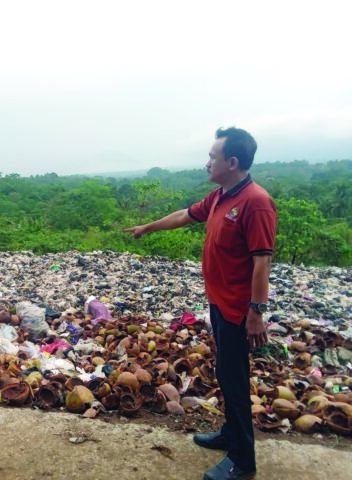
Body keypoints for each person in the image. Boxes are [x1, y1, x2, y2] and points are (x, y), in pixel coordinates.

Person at [125, 127, 277, 480]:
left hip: (240, 309)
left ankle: (243, 461)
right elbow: (184, 215)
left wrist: (256, 313)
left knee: (235, 379)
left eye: (213, 156)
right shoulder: (220, 196)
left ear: (232, 162)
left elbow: (262, 261)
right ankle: (230, 433)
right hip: (220, 303)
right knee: (225, 371)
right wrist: (148, 227)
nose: (207, 162)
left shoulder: (256, 202)